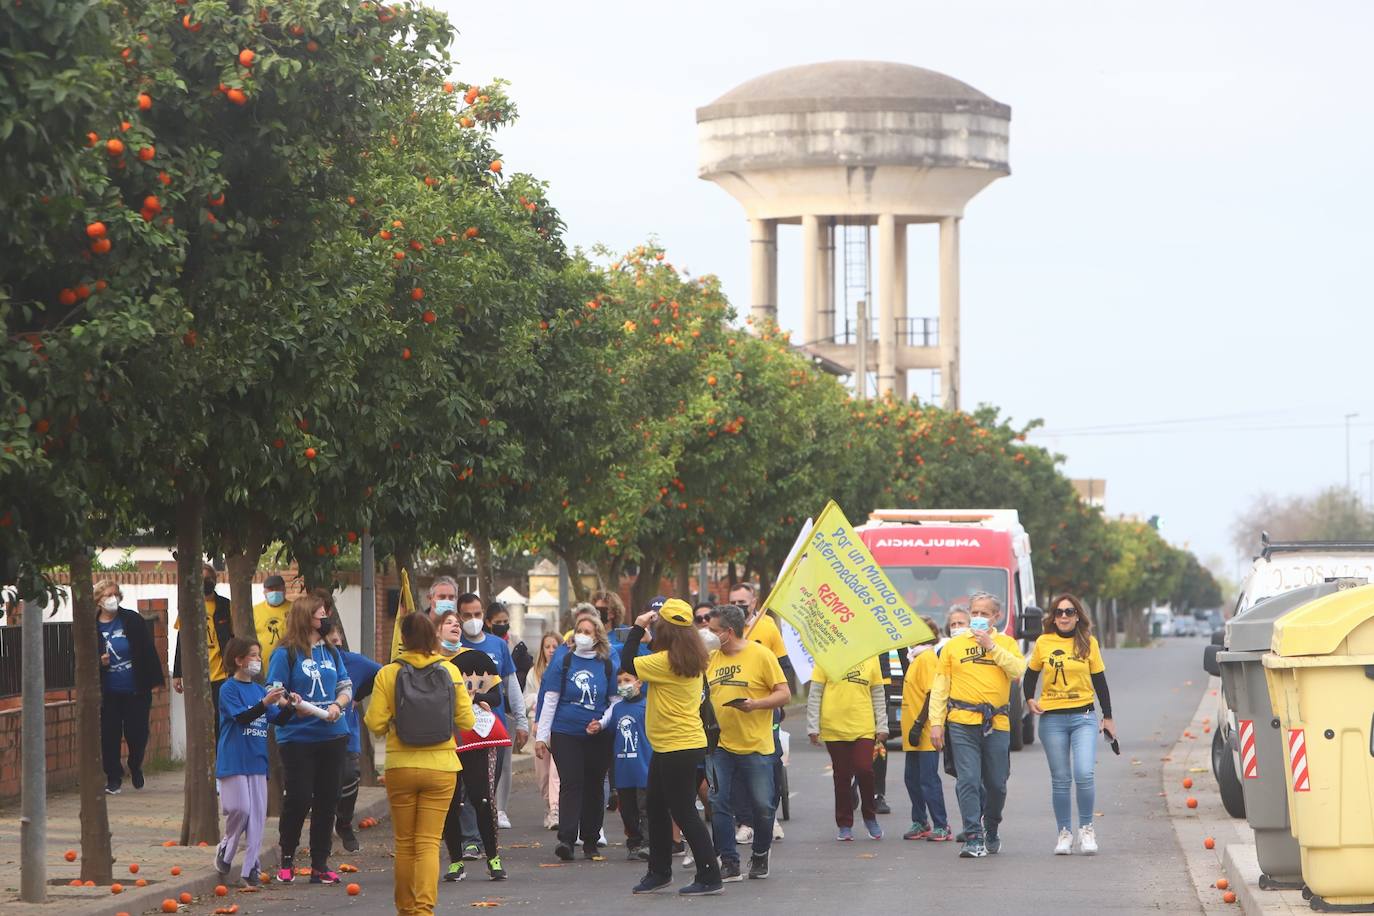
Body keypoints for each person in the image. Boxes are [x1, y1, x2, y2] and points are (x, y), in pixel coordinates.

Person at [365, 612, 476, 916]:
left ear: (403, 638)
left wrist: (392, 720)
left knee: (404, 844)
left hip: (400, 766)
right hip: (442, 766)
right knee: (428, 842)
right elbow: (467, 720)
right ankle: (424, 910)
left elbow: (374, 722)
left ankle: (405, 909)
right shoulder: (450, 672)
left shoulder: (388, 673)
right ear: (433, 637)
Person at [622, 597, 722, 897]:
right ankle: (659, 872)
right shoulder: (687, 657)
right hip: (674, 745)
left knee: (683, 811)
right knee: (656, 806)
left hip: (676, 746)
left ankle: (709, 875)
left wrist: (638, 628)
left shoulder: (664, 662)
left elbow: (627, 663)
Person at [929, 591, 1026, 859]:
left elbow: (1018, 671)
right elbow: (940, 686)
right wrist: (936, 723)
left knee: (997, 783)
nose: (979, 618)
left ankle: (991, 826)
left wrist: (991, 647)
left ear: (997, 617)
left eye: (985, 613)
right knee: (968, 780)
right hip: (961, 721)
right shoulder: (953, 647)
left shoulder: (1006, 643)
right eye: (975, 613)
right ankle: (973, 836)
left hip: (996, 723)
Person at [265, 593, 354, 884]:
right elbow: (275, 693)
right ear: (306, 618)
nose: (325, 618)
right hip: (297, 738)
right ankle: (287, 857)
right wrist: (292, 703)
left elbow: (345, 687)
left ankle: (320, 863)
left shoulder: (331, 651)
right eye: (320, 614)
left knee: (328, 799)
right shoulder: (285, 653)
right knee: (300, 797)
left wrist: (336, 706)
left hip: (333, 735)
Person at [1026, 593, 1115, 856]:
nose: (1063, 616)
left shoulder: (1089, 642)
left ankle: (1086, 829)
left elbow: (1100, 681)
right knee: (1061, 779)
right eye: (1059, 612)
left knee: (1085, 773)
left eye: (1069, 612)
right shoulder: (1043, 642)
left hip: (1084, 717)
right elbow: (1030, 675)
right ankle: (1064, 833)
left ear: (1078, 616)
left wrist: (1107, 717)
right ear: (1053, 617)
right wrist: (1029, 699)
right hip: (1052, 718)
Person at [705, 604, 789, 880]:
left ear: (728, 632)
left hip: (757, 746)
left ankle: (761, 853)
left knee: (763, 807)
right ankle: (729, 860)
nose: (709, 633)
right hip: (720, 745)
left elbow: (784, 694)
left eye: (714, 630)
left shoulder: (761, 655)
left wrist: (756, 704)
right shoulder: (711, 658)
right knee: (719, 803)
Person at [535, 613, 616, 862]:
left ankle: (591, 840)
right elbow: (550, 700)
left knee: (594, 785)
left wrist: (601, 723)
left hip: (597, 734)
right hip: (565, 731)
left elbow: (615, 701)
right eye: (579, 630)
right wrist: (541, 736)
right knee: (571, 783)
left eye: (588, 631)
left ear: (597, 636)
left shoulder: (607, 664)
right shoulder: (564, 661)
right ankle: (566, 840)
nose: (583, 635)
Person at [215, 637, 294, 886]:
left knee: (258, 816)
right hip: (233, 759)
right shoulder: (228, 689)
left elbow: (278, 720)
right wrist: (265, 703)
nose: (258, 660)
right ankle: (227, 846)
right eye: (253, 655)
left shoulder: (260, 690)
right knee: (241, 809)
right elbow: (241, 718)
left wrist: (291, 706)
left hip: (258, 760)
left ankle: (250, 868)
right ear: (238, 660)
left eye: (259, 655)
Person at [436, 610, 508, 881]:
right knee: (450, 801)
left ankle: (493, 857)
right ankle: (456, 861)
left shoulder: (477, 659)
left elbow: (497, 696)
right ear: (436, 631)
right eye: (448, 623)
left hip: (477, 736)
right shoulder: (429, 662)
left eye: (457, 622)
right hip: (443, 739)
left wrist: (476, 696)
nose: (456, 625)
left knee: (482, 798)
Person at [454, 594, 527, 846]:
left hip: (492, 728)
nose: (472, 620)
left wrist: (521, 721)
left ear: (483, 616)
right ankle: (470, 838)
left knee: (488, 784)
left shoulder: (497, 645)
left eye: (476, 614)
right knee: (465, 785)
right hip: (462, 728)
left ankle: (484, 834)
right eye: (466, 615)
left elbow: (511, 684)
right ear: (458, 616)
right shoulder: (453, 646)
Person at [729, 583, 790, 843]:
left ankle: (769, 815)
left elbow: (783, 665)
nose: (740, 606)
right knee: (735, 767)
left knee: (771, 762)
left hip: (765, 711)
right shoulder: (725, 631)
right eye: (734, 602)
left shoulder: (767, 627)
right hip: (733, 714)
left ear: (755, 602)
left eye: (744, 602)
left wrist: (772, 700)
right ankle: (744, 821)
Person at [808, 653, 888, 841]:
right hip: (833, 726)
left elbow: (877, 692)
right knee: (842, 775)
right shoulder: (825, 656)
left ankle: (870, 816)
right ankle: (844, 824)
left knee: (864, 769)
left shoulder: (870, 656)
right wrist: (813, 726)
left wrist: (882, 724)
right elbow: (815, 693)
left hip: (863, 726)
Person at [95, 579, 164, 794]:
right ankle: (113, 777)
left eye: (115, 594)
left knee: (137, 733)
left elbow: (148, 650)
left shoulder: (132, 620)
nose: (112, 599)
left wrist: (154, 681)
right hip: (108, 693)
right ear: (98, 600)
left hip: (136, 690)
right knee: (109, 735)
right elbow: (81, 658)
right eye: (107, 595)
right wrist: (100, 662)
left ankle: (135, 765)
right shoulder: (91, 625)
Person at [322, 610, 381, 855]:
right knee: (323, 785)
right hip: (317, 734)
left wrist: (358, 695)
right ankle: (322, 836)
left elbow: (382, 674)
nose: (336, 647)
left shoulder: (353, 662)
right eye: (331, 643)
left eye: (339, 643)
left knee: (350, 775)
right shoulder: (311, 663)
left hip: (346, 732)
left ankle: (344, 821)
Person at [900, 615, 951, 842]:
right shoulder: (915, 658)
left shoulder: (927, 658)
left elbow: (932, 693)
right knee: (911, 778)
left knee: (928, 779)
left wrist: (920, 723)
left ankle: (941, 824)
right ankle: (920, 821)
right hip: (912, 731)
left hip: (924, 729)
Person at [172, 563, 234, 711]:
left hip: (222, 674)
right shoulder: (188, 606)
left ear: (214, 580)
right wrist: (177, 674)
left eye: (208, 579)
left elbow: (234, 637)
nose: (205, 582)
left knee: (221, 718)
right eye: (201, 579)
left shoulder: (225, 605)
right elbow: (181, 641)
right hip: (197, 675)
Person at [484, 601, 524, 829]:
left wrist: (521, 719)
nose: (502, 625)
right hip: (470, 718)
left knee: (503, 764)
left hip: (501, 714)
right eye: (497, 622)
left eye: (504, 622)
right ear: (488, 622)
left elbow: (513, 682)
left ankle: (500, 810)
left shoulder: (505, 644)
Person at [610, 669, 651, 860]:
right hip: (623, 769)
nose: (622, 685)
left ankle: (648, 843)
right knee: (627, 810)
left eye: (627, 680)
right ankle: (634, 842)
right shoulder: (617, 709)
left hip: (643, 767)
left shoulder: (647, 706)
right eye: (619, 681)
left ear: (639, 682)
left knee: (646, 808)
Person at [526, 632, 563, 830]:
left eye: (554, 646)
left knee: (556, 770)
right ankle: (549, 804)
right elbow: (526, 698)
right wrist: (535, 701)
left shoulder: (564, 669)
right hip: (538, 726)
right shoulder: (534, 673)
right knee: (543, 773)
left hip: (557, 726)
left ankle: (556, 809)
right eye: (547, 647)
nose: (550, 650)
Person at [253, 575, 289, 665]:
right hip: (262, 665)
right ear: (264, 592)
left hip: (289, 663)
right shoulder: (255, 610)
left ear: (284, 590)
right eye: (271, 589)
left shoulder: (295, 609)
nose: (274, 592)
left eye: (278, 589)